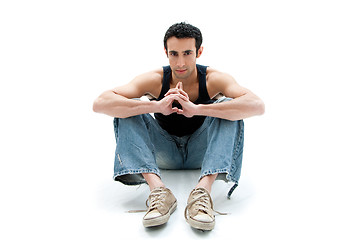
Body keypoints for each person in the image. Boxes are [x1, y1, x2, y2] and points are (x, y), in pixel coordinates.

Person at [93, 22, 265, 231]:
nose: (180, 62)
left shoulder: (213, 79)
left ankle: (202, 192)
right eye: (174, 54)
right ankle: (158, 191)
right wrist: (155, 105)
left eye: (187, 53)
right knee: (129, 107)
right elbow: (100, 103)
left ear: (199, 52)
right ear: (165, 52)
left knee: (229, 106)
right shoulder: (155, 79)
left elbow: (257, 105)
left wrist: (198, 109)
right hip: (164, 153)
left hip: (202, 155)